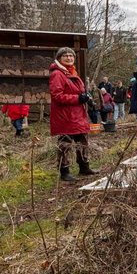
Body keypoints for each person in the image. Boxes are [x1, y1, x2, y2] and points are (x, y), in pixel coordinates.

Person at [48, 48, 97, 183]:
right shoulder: (57, 74)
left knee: (83, 141)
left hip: (77, 114)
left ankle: (84, 167)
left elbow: (80, 92)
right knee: (65, 143)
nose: (69, 58)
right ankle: (64, 171)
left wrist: (88, 99)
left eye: (71, 55)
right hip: (65, 116)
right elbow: (57, 96)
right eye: (65, 56)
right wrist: (78, 99)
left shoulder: (71, 72)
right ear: (59, 58)